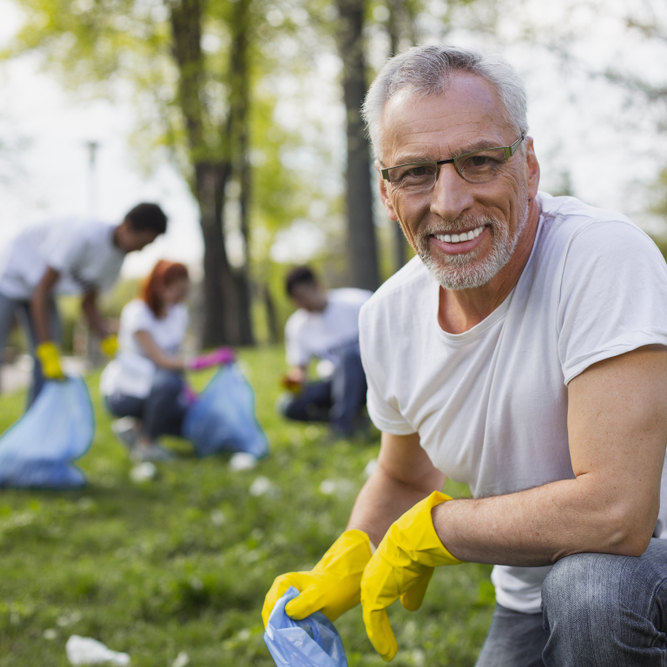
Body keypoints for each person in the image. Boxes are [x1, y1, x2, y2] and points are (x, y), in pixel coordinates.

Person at [263, 45, 667, 665]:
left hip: (639, 569)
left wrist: (439, 530)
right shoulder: (388, 317)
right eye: (416, 172)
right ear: (386, 191)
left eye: (479, 161)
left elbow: (617, 515)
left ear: (527, 165)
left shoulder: (601, 257)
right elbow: (403, 473)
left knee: (592, 587)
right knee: (571, 587)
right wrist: (348, 558)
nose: (449, 202)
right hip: (527, 594)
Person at [0, 202, 167, 405]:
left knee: (46, 367)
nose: (141, 250)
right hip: (10, 275)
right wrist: (46, 349)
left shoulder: (116, 260)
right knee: (44, 349)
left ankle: (35, 427)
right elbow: (41, 290)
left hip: (41, 289)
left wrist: (109, 342)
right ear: (127, 227)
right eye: (141, 243)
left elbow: (88, 304)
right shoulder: (84, 235)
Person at [100, 259, 233, 462]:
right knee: (170, 382)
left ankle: (134, 428)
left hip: (160, 389)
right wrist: (204, 362)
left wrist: (188, 393)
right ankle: (146, 445)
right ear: (159, 286)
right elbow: (161, 360)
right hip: (126, 391)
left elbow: (175, 356)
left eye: (185, 292)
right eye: (177, 291)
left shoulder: (178, 312)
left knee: (190, 421)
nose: (181, 297)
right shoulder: (138, 313)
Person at [280, 265, 372, 438]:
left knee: (349, 356)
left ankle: (342, 428)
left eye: (302, 296)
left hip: (371, 376)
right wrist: (295, 380)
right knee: (288, 406)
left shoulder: (357, 302)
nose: (300, 303)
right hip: (335, 382)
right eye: (295, 299)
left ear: (316, 286)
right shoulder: (298, 326)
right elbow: (299, 368)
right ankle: (354, 419)